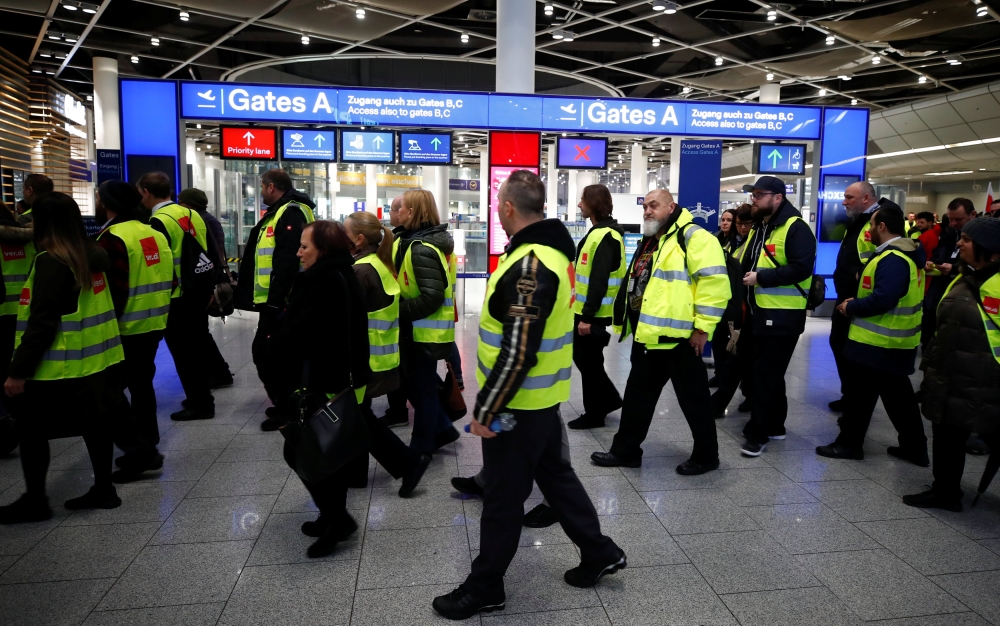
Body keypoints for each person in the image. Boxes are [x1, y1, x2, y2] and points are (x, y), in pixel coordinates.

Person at [432, 170, 625, 621]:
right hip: (539, 400)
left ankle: (485, 588)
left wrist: (489, 407)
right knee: (556, 476)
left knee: (502, 497)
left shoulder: (532, 265)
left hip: (518, 406)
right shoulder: (548, 255)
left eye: (498, 204)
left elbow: (520, 347)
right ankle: (598, 552)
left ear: (507, 208)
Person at [0, 192, 124, 523]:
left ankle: (35, 501)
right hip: (96, 362)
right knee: (96, 425)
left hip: (57, 368)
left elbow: (41, 324)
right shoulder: (91, 255)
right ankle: (104, 489)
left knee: (31, 432)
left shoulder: (51, 262)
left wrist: (17, 372)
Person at [590, 188, 729, 475]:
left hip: (680, 340)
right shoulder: (652, 240)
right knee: (637, 398)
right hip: (649, 337)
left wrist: (703, 329)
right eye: (645, 207)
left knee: (695, 402)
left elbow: (714, 285)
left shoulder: (693, 238)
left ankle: (707, 456)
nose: (647, 211)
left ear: (671, 207)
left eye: (654, 206)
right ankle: (626, 451)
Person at [270, 220, 370, 557]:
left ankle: (337, 520)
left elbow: (304, 334)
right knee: (324, 452)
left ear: (323, 250)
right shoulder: (340, 274)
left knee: (308, 450)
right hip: (334, 378)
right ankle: (332, 516)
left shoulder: (323, 281)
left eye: (305, 247)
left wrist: (281, 337)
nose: (298, 253)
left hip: (322, 381)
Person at [816, 204, 929, 464]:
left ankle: (849, 445)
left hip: (878, 342)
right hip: (893, 342)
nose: (868, 229)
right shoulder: (900, 254)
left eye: (871, 224)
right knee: (898, 398)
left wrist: (851, 306)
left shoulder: (894, 259)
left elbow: (884, 299)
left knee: (859, 397)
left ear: (881, 226)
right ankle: (914, 447)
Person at [904, 217, 1000, 512]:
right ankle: (945, 491)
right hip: (951, 375)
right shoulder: (964, 276)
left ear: (991, 249)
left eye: (967, 240)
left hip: (985, 381)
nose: (959, 243)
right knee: (947, 436)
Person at [344, 211, 431, 498]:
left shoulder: (360, 272)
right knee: (359, 413)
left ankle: (409, 462)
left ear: (358, 239)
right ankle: (355, 474)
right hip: (379, 355)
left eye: (344, 233)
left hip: (362, 358)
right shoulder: (378, 265)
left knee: (358, 414)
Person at [94, 181, 174, 482]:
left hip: (124, 327)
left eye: (99, 197)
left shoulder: (113, 237)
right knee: (142, 385)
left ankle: (140, 449)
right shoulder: (153, 232)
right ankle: (146, 444)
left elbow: (113, 291)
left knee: (111, 391)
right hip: (154, 323)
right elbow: (170, 278)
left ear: (108, 201)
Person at [737, 175, 817, 457]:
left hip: (782, 315)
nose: (753, 200)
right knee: (769, 373)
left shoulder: (795, 228)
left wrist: (761, 278)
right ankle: (775, 425)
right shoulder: (763, 227)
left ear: (778, 198)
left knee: (765, 375)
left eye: (759, 195)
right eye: (753, 195)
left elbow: (802, 268)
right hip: (759, 313)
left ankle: (757, 435)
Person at [234, 169, 316, 431]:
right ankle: (286, 404)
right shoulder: (281, 211)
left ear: (271, 187)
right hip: (276, 299)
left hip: (282, 301)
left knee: (270, 355)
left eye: (261, 187)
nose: (261, 192)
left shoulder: (290, 212)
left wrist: (274, 301)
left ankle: (288, 408)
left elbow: (286, 260)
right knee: (277, 354)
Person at [141, 172, 218, 422]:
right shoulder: (191, 214)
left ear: (145, 192)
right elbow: (207, 250)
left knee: (184, 353)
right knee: (195, 348)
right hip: (199, 289)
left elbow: (158, 262)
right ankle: (201, 396)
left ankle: (201, 403)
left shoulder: (158, 221)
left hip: (177, 296)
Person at [394, 190, 460, 455]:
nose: (397, 212)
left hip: (422, 331)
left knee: (423, 392)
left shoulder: (421, 249)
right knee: (421, 386)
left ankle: (421, 449)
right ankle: (442, 429)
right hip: (420, 330)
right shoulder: (412, 242)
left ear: (411, 213)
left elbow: (432, 296)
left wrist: (399, 311)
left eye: (401, 208)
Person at [567, 184, 625, 430]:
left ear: (593, 204)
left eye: (583, 200)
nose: (580, 204)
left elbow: (599, 281)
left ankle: (595, 414)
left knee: (588, 363)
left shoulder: (605, 236)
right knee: (588, 362)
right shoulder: (599, 233)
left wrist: (587, 318)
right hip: (588, 312)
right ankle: (606, 401)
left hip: (594, 314)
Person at [828, 181, 879, 413]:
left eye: (849, 197)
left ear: (866, 198)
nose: (844, 202)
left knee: (847, 347)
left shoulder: (877, 220)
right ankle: (849, 394)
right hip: (845, 294)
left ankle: (854, 400)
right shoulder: (858, 220)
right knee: (838, 342)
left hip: (858, 297)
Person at [178, 187, 233, 389]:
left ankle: (219, 373)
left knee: (199, 332)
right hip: (210, 279)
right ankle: (218, 372)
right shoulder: (209, 219)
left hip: (204, 282)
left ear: (189, 204)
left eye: (181, 202)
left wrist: (211, 281)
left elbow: (208, 254)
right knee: (201, 332)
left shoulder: (198, 221)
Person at [709, 203, 750, 405]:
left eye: (730, 220)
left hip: (744, 304)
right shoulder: (720, 241)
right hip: (725, 298)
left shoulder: (750, 243)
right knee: (720, 343)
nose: (741, 227)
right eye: (738, 223)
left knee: (737, 353)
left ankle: (744, 394)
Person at [923, 199, 976, 350]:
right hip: (938, 290)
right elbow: (938, 253)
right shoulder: (949, 232)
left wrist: (953, 269)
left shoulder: (982, 239)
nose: (953, 223)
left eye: (958, 219)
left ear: (972, 214)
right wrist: (932, 262)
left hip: (962, 294)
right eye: (950, 219)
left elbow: (978, 265)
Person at [380, 194, 410, 427]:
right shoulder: (399, 239)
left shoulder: (409, 244)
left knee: (419, 382)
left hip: (409, 320)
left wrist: (402, 310)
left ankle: (441, 425)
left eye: (392, 210)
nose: (389, 214)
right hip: (407, 319)